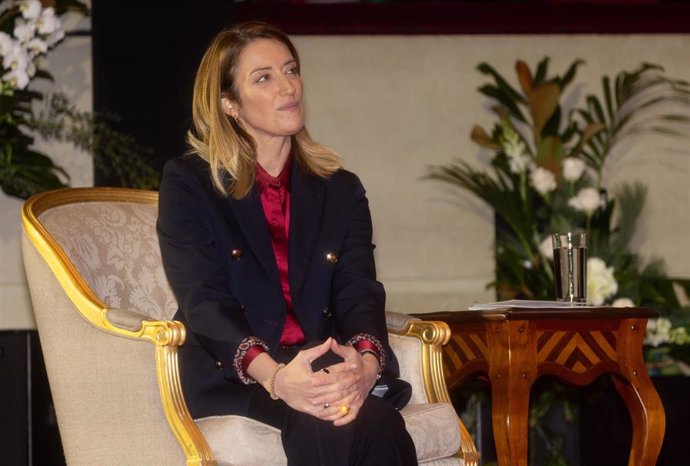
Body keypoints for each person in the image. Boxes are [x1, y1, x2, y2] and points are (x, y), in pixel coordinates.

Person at [157, 21, 417, 466]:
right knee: (332, 421)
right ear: (230, 104)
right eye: (264, 78)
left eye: (290, 70)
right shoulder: (190, 184)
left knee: (374, 419)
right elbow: (203, 301)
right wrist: (276, 378)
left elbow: (358, 290)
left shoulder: (340, 189)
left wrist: (365, 367)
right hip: (237, 377)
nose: (288, 87)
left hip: (321, 366)